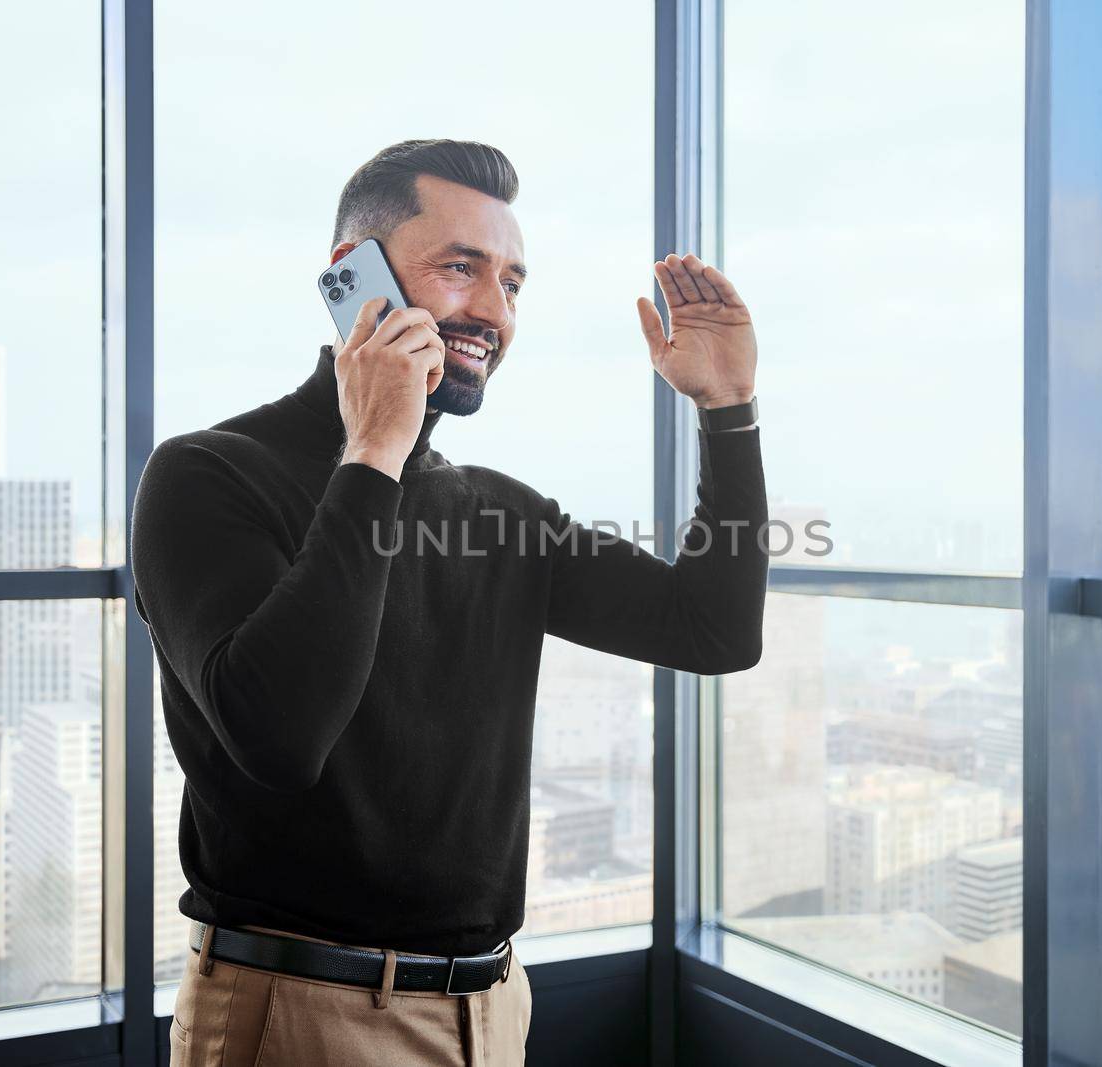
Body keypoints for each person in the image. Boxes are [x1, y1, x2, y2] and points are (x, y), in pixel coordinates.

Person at [130, 138, 768, 1065]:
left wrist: (729, 408)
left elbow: (714, 629)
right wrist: (374, 451)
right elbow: (279, 736)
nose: (493, 310)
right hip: (305, 1015)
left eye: (512, 282)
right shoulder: (205, 475)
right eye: (461, 268)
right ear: (354, 279)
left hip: (493, 1010)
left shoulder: (499, 512)